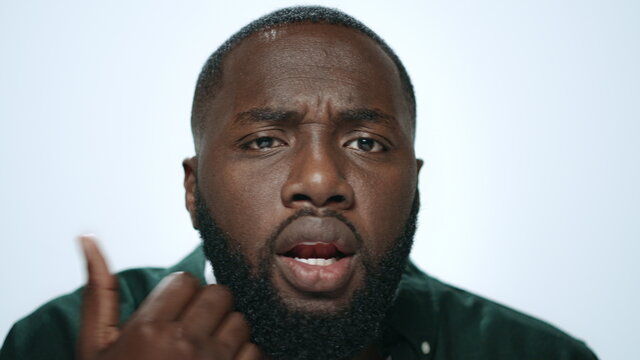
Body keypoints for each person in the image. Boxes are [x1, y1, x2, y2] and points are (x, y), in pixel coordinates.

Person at [0, 6, 598, 360]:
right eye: (265, 141)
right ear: (192, 190)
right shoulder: (53, 343)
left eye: (366, 143)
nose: (320, 181)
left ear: (414, 187)